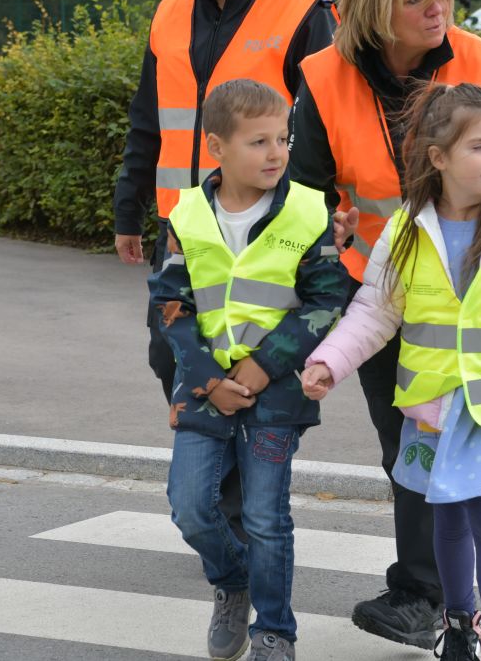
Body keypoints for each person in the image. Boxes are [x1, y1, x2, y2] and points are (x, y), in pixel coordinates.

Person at [287, 0, 481, 648]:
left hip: (469, 297)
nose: (439, 13)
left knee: (448, 444)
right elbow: (305, 196)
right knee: (409, 443)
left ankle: (432, 596)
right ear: (374, 9)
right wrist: (320, 258)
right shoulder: (324, 75)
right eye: (417, 1)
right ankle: (429, 594)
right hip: (379, 287)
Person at [300, 82, 481, 661]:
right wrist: (331, 360)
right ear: (439, 158)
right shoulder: (406, 230)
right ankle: (457, 622)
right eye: (478, 146)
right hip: (431, 406)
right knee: (445, 514)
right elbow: (375, 310)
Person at [113, 0, 338, 405]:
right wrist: (129, 210)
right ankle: (212, 476)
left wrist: (323, 212)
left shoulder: (304, 10)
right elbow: (147, 120)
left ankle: (235, 481)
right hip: (183, 221)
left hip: (264, 222)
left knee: (255, 357)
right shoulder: (169, 13)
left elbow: (320, 128)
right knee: (169, 353)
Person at [150, 79, 348, 661]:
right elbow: (169, 306)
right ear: (217, 148)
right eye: (258, 141)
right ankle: (231, 581)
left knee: (265, 516)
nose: (276, 153)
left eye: (282, 139)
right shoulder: (185, 215)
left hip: (278, 392)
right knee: (189, 507)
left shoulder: (309, 210)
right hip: (204, 389)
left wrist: (263, 369)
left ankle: (275, 632)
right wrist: (211, 378)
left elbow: (326, 301)